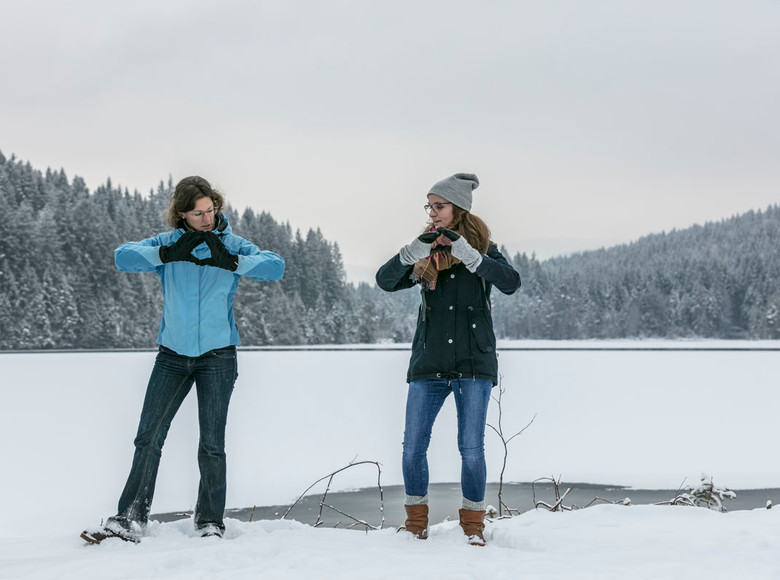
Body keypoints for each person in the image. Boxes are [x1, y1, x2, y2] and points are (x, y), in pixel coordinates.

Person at [81, 176, 285, 543]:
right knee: (148, 438)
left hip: (218, 357)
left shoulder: (231, 244)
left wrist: (232, 261)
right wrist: (166, 254)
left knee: (212, 445)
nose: (207, 219)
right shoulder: (167, 243)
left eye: (211, 210)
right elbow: (122, 256)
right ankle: (129, 519)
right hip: (172, 357)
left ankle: (209, 522)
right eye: (198, 213)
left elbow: (275, 267)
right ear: (181, 214)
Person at [375, 173, 520, 546]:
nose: (432, 212)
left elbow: (510, 282)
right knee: (412, 447)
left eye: (438, 205)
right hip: (429, 363)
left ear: (459, 208)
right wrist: (410, 253)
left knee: (471, 448)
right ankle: (415, 524)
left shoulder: (485, 249)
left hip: (474, 363)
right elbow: (385, 280)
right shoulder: (425, 252)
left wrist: (472, 257)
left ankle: (473, 524)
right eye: (429, 206)